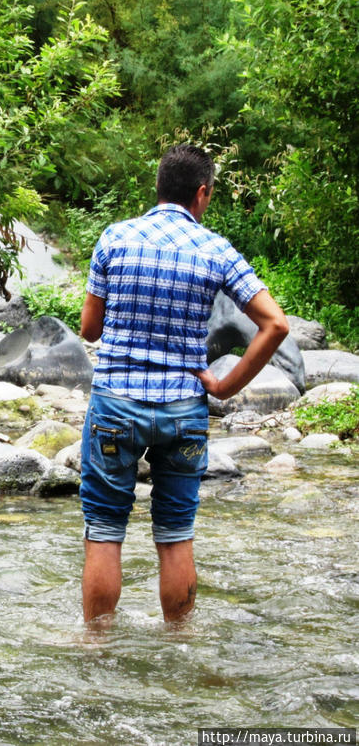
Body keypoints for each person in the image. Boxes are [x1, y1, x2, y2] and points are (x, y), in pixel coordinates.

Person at [78, 143, 289, 624]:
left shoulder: (115, 238)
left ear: (158, 187)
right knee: (175, 534)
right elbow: (275, 324)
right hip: (184, 411)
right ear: (202, 193)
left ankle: (95, 650)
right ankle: (179, 647)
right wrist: (225, 387)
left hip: (117, 404)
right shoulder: (217, 250)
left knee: (106, 530)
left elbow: (89, 330)